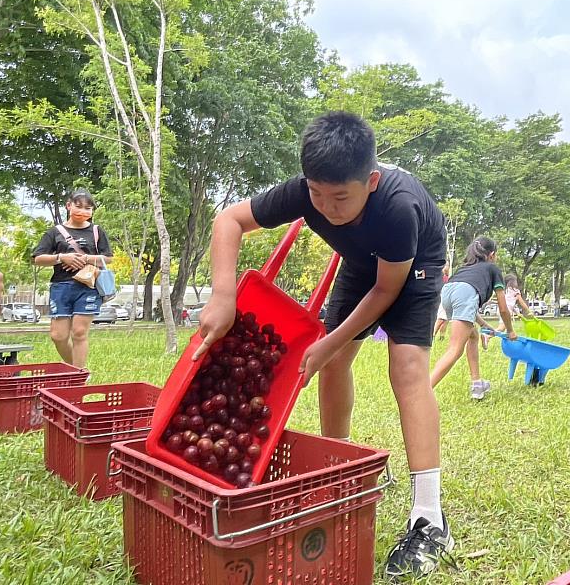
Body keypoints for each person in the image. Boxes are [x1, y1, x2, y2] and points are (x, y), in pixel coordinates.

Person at [193, 112, 453, 579]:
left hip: (411, 270)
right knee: (334, 366)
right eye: (317, 194)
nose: (327, 208)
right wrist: (222, 294)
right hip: (360, 263)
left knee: (407, 369)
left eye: (340, 197)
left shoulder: (398, 207)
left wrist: (330, 340)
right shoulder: (303, 192)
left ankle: (430, 516)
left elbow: (386, 292)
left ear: (371, 181)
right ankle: (342, 472)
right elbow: (229, 220)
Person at [31, 189, 113, 368]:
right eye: (79, 206)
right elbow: (37, 258)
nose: (83, 211)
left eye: (88, 208)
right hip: (61, 287)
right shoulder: (55, 232)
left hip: (88, 287)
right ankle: (75, 369)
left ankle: (78, 377)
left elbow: (108, 258)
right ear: (69, 206)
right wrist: (61, 258)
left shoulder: (97, 231)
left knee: (79, 332)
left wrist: (86, 259)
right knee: (58, 336)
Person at [430, 237, 517, 400]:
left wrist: (486, 326)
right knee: (455, 349)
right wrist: (510, 331)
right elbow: (503, 309)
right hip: (464, 293)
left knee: (473, 335)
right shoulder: (493, 269)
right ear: (491, 255)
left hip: (448, 292)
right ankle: (422, 393)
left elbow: (467, 306)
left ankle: (477, 384)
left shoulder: (465, 269)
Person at [432, 263, 451, 340]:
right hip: (441, 299)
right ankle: (432, 335)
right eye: (446, 265)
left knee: (445, 320)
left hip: (446, 298)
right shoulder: (440, 276)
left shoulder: (447, 277)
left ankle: (441, 337)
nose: (447, 267)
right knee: (441, 318)